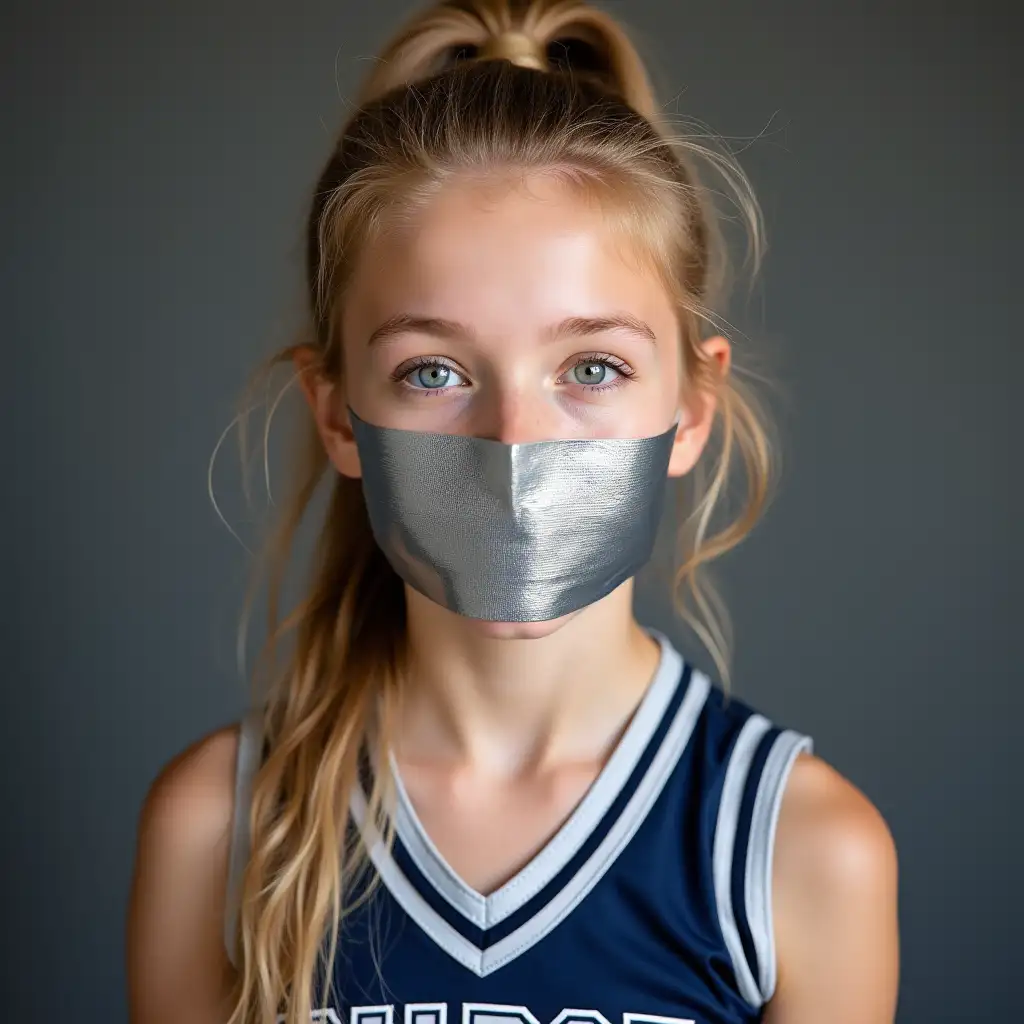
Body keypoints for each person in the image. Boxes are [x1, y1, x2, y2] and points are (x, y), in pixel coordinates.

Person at [126, 2, 900, 1022]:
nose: (514, 440)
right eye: (434, 370)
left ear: (688, 410)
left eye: (592, 366)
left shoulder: (799, 848)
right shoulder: (219, 827)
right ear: (339, 416)